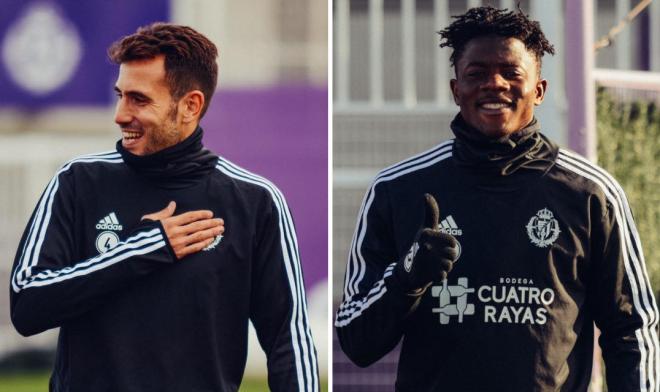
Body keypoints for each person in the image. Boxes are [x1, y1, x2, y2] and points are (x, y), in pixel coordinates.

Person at [335, 6, 658, 392]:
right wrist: (407, 277)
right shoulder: (397, 189)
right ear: (457, 90)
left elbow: (632, 331)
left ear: (539, 90)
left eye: (511, 73)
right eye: (477, 74)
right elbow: (357, 342)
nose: (495, 84)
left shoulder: (591, 193)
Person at [10, 23, 319, 392]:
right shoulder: (78, 182)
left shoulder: (255, 201)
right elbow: (27, 303)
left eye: (139, 99)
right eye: (120, 95)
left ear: (190, 105)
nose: (120, 115)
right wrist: (146, 247)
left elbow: (289, 339)